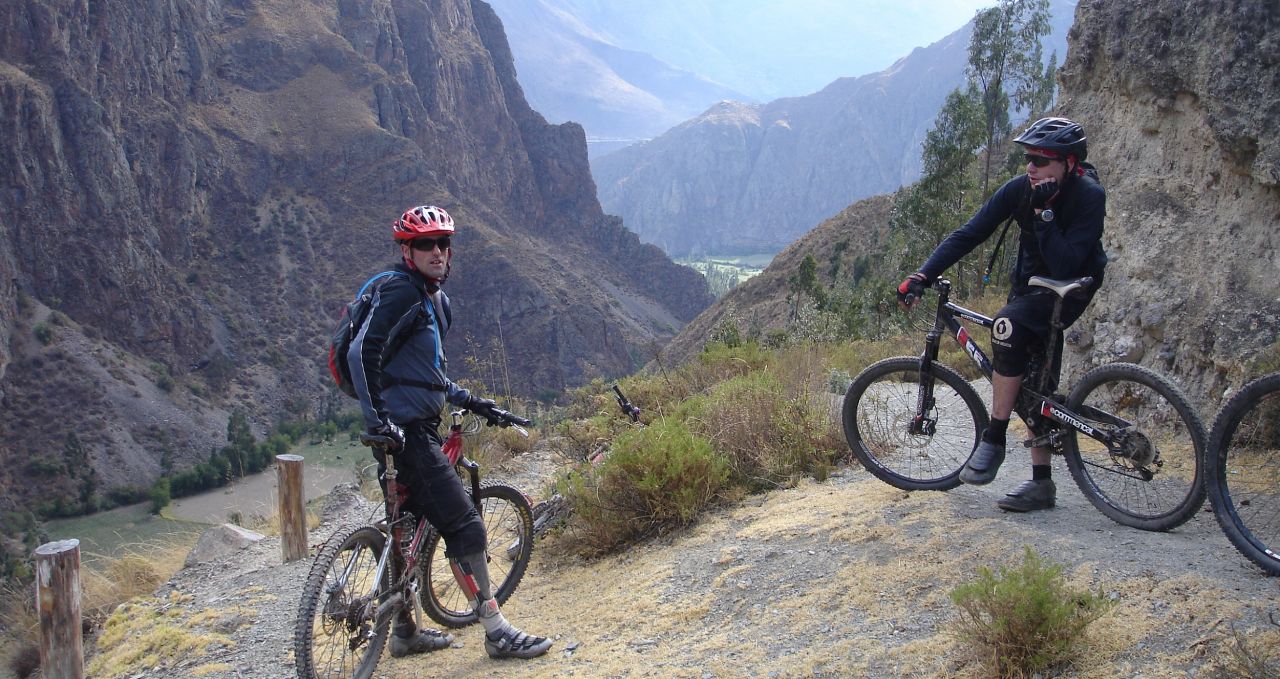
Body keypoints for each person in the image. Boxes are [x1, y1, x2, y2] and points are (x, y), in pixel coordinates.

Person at [348, 204, 553, 659]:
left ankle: (404, 632)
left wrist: (473, 401)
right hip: (406, 433)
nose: (438, 251)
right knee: (465, 524)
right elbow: (360, 352)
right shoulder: (403, 293)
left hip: (403, 429)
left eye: (443, 243)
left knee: (405, 524)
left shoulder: (432, 300)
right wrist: (378, 420)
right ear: (407, 250)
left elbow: (428, 375)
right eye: (426, 244)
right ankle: (497, 630)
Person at [897, 117, 1107, 512]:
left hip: (1070, 287)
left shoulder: (1088, 197)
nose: (1031, 167)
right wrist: (923, 273)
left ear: (1069, 164)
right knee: (1028, 381)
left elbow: (1066, 263)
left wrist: (1045, 215)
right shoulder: (1020, 190)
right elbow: (970, 233)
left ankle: (993, 437)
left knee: (1006, 330)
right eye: (1028, 158)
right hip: (1029, 287)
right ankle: (1042, 485)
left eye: (1041, 160)